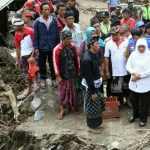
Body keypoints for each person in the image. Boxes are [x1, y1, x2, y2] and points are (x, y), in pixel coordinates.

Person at [53, 30, 80, 120]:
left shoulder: (74, 47)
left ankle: (72, 107)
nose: (70, 41)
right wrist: (57, 75)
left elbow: (77, 59)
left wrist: (78, 70)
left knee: (73, 91)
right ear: (63, 39)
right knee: (62, 93)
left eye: (71, 39)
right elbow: (55, 63)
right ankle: (62, 109)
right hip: (63, 75)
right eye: (68, 39)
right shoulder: (57, 49)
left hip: (72, 74)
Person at [81, 36, 105, 134]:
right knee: (91, 106)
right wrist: (93, 92)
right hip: (90, 86)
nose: (99, 46)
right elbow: (88, 77)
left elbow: (97, 65)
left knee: (97, 105)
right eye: (97, 44)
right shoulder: (87, 59)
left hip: (96, 83)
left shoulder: (94, 54)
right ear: (91, 46)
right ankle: (91, 127)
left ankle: (96, 124)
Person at [33, 2, 60, 88]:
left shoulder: (53, 20)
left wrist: (57, 45)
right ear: (41, 10)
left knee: (53, 63)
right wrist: (36, 47)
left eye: (48, 9)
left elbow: (57, 33)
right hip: (42, 46)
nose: (47, 11)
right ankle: (43, 79)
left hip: (52, 46)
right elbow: (36, 35)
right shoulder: (37, 22)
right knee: (42, 63)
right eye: (45, 10)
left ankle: (53, 78)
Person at [12, 18, 39, 97]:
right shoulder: (17, 34)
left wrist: (32, 56)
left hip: (32, 53)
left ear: (20, 25)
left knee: (34, 69)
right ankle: (29, 88)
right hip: (24, 55)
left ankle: (36, 82)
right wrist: (17, 60)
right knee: (26, 72)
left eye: (15, 26)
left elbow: (35, 44)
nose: (14, 27)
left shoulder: (30, 31)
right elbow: (17, 48)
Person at [126, 39, 150, 127]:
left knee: (145, 103)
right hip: (134, 82)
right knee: (134, 100)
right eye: (139, 46)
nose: (141, 48)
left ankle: (143, 119)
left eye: (143, 46)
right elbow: (128, 66)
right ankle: (135, 115)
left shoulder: (149, 55)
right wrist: (134, 73)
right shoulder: (133, 54)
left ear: (145, 46)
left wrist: (138, 76)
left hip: (145, 82)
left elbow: (149, 71)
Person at [104, 26, 130, 106]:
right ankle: (117, 103)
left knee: (126, 87)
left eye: (115, 34)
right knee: (115, 89)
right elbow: (106, 57)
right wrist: (107, 70)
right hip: (114, 69)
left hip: (125, 69)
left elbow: (129, 55)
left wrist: (129, 68)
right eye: (112, 35)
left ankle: (128, 101)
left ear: (119, 33)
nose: (114, 37)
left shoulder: (126, 41)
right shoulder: (108, 44)